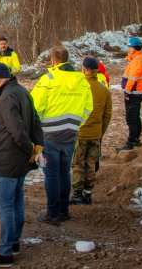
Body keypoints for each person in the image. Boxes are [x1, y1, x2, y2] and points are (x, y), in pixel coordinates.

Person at [0, 63, 43, 268]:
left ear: (3, 78)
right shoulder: (22, 91)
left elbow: (16, 131)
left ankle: (5, 254)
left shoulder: (7, 97)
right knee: (16, 201)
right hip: (20, 159)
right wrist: (37, 145)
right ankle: (13, 242)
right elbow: (35, 120)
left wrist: (31, 148)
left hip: (9, 158)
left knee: (6, 206)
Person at [30, 45, 92, 226]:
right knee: (65, 172)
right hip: (71, 134)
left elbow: (34, 107)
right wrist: (76, 124)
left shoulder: (48, 80)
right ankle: (64, 210)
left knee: (51, 174)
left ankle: (53, 212)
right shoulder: (82, 80)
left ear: (53, 61)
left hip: (49, 135)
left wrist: (37, 129)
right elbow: (88, 107)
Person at [70, 57, 112, 206]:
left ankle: (77, 194)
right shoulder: (104, 89)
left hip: (80, 133)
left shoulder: (78, 87)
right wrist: (100, 132)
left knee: (78, 163)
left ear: (84, 69)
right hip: (95, 133)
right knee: (91, 163)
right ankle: (88, 193)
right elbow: (107, 114)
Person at [116, 37, 142, 151]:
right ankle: (135, 139)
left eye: (130, 47)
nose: (129, 49)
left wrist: (127, 91)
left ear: (135, 48)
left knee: (131, 118)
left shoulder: (137, 60)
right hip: (138, 91)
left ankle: (131, 142)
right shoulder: (139, 58)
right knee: (135, 116)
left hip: (134, 92)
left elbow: (133, 78)